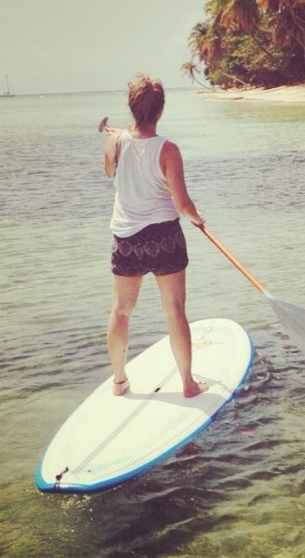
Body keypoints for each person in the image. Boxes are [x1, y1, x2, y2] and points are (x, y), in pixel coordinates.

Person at [103, 74, 208, 398]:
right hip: (164, 236)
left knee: (121, 310)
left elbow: (110, 172)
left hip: (127, 239)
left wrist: (119, 137)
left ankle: (119, 382)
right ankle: (188, 384)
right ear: (160, 110)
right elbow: (182, 202)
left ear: (131, 108)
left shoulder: (114, 142)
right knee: (174, 310)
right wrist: (198, 219)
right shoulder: (169, 150)